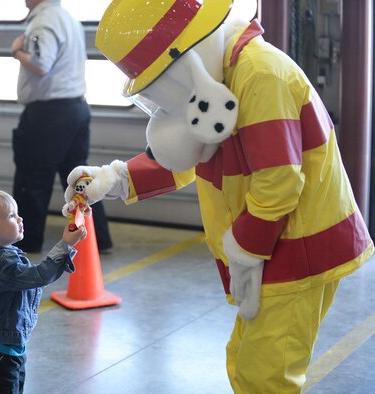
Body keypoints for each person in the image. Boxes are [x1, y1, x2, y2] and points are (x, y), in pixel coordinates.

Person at [63, 1, 374, 393]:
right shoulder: (225, 76)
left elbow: (278, 185)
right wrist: (116, 178)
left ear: (184, 60)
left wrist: (244, 250)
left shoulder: (261, 75)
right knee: (245, 363)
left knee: (266, 376)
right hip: (271, 248)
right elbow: (193, 153)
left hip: (296, 248)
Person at [9, 0, 113, 254]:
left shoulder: (43, 20)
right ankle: (98, 239)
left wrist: (16, 51)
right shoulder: (68, 19)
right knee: (80, 179)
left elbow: (41, 64)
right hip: (75, 108)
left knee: (33, 178)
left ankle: (28, 240)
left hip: (48, 114)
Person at [0, 189, 86, 393]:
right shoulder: (1, 264)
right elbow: (40, 276)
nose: (20, 218)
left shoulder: (3, 255)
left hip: (9, 349)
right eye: (11, 216)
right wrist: (66, 245)